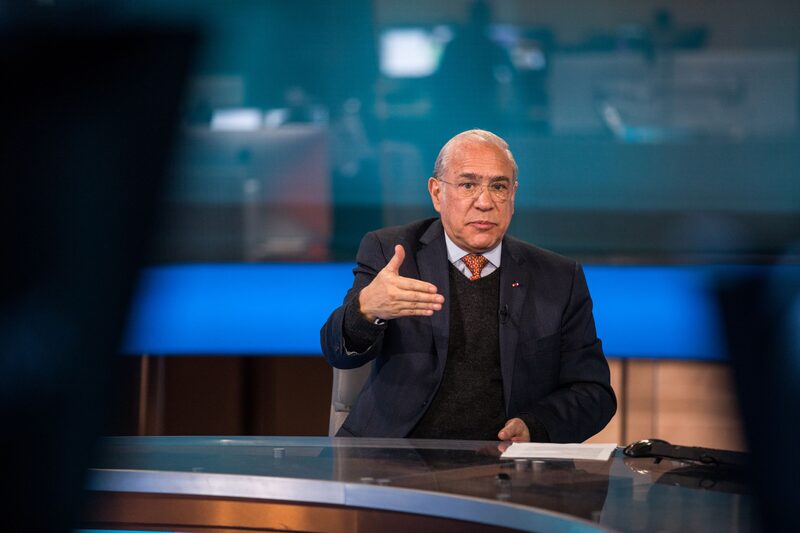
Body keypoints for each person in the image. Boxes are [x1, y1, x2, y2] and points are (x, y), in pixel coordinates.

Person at [320, 129, 616, 442]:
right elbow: (338, 351)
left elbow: (593, 393)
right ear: (436, 193)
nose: (485, 202)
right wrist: (366, 309)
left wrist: (536, 427)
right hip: (396, 458)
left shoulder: (558, 278)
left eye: (498, 186)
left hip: (506, 470)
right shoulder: (393, 252)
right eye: (468, 185)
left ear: (513, 196)